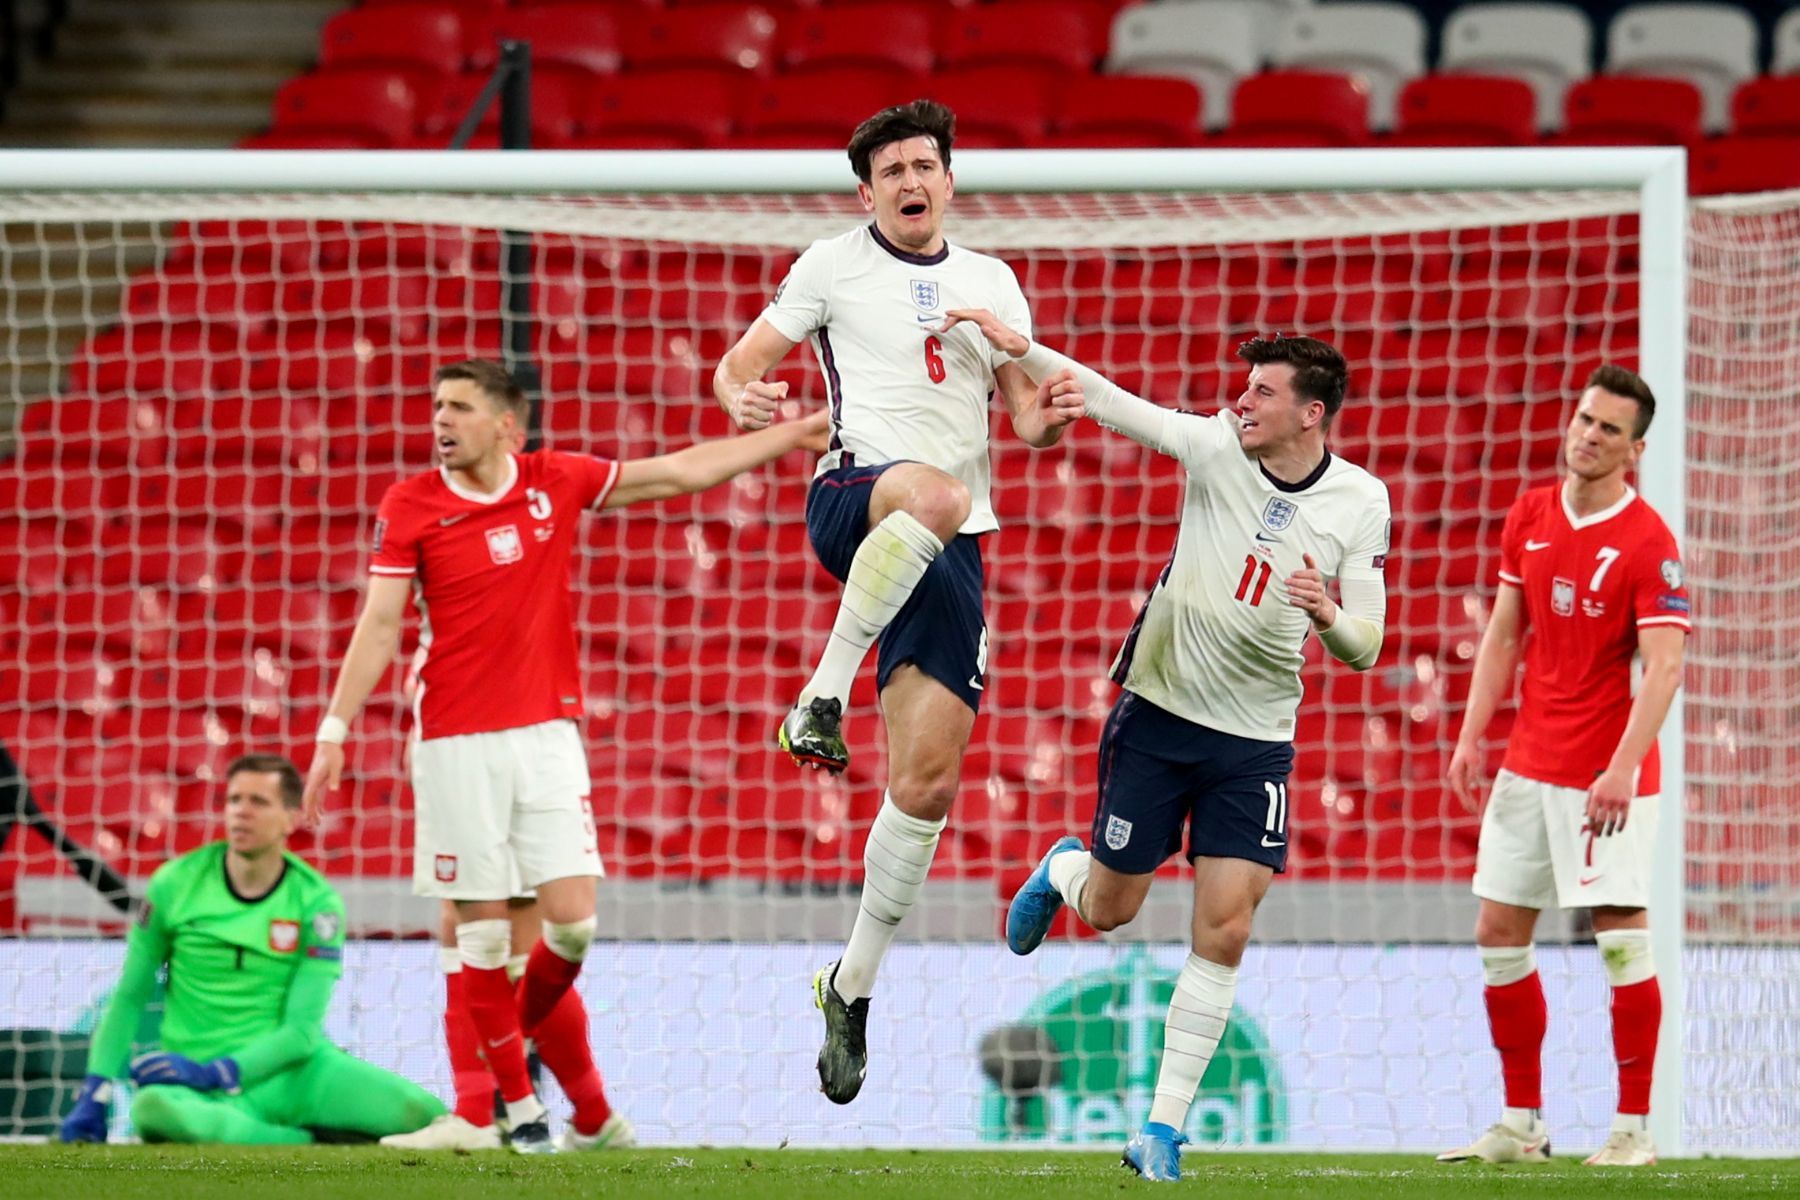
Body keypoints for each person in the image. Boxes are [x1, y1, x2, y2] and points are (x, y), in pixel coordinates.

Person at [303, 358, 828, 1151]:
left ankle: (498, 1088)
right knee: (477, 933)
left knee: (572, 925)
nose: (440, 422)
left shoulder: (555, 481)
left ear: (506, 425)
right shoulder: (409, 504)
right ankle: (510, 1110)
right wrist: (333, 732)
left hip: (546, 733)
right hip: (452, 738)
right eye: (436, 407)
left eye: (460, 408)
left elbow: (680, 472)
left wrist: (797, 433)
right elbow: (380, 627)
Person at [944, 310, 1391, 1183]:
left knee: (1224, 930)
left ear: (1313, 413)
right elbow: (1111, 399)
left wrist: (1330, 615)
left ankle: (1162, 1129)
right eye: (1244, 387)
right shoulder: (1218, 446)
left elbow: (1369, 642)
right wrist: (1014, 343)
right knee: (1111, 910)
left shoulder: (1361, 500)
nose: (1242, 401)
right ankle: (1063, 870)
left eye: (1263, 391)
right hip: (1158, 716)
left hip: (1256, 743)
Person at [711, 99, 1082, 1106]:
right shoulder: (832, 264)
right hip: (856, 496)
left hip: (952, 551)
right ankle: (819, 697)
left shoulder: (991, 282)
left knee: (924, 785)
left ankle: (850, 986)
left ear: (949, 179)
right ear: (867, 191)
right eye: (892, 171)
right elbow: (742, 365)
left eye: (926, 164)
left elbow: (1023, 420)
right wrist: (741, 394)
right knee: (933, 489)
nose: (912, 182)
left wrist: (1045, 420)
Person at [1437, 365, 1688, 1169]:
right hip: (1528, 763)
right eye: (1585, 419)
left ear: (1635, 448)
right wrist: (1473, 735)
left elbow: (1666, 669)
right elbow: (1506, 635)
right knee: (1497, 931)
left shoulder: (1651, 543)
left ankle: (1633, 1131)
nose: (1589, 435)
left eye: (1609, 429)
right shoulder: (1531, 514)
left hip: (1604, 778)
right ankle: (1522, 1124)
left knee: (1619, 940)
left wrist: (1621, 768)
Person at [58, 754, 444, 1145]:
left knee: (427, 1115)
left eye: (258, 802)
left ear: (292, 818)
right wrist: (96, 1089)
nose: (242, 812)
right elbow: (129, 997)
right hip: (194, 1077)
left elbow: (301, 1033)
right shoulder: (174, 885)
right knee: (153, 1110)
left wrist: (223, 1072)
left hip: (292, 1074)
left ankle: (278, 1133)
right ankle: (306, 1143)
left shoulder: (316, 903)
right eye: (234, 800)